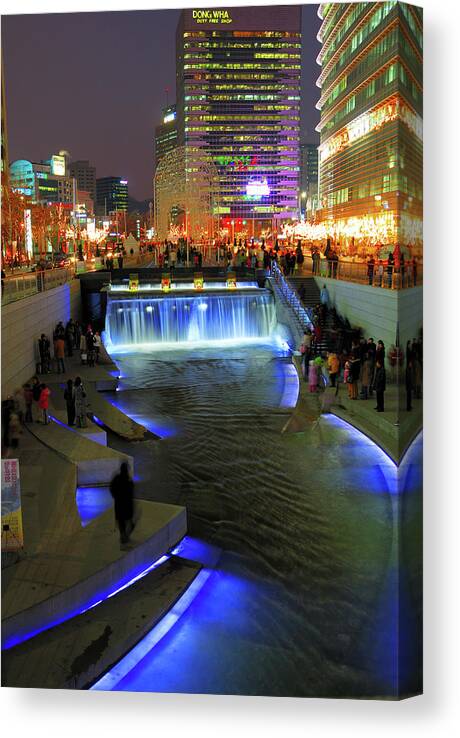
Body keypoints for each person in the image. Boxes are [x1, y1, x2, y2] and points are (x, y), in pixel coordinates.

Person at [110, 462, 136, 548]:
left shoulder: (117, 479)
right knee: (129, 522)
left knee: (122, 523)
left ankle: (123, 537)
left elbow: (112, 488)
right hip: (127, 505)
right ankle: (125, 538)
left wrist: (115, 496)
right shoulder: (128, 480)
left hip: (119, 505)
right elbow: (131, 492)